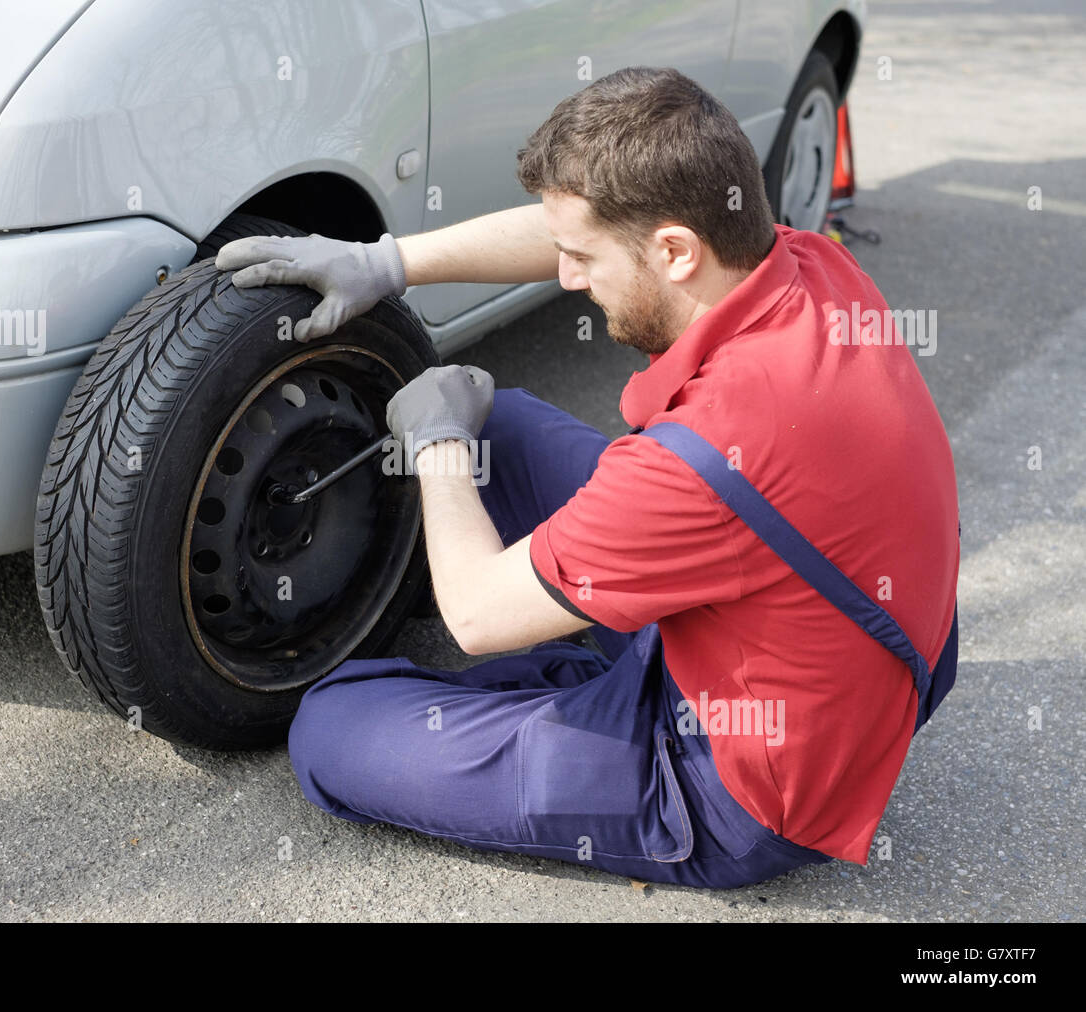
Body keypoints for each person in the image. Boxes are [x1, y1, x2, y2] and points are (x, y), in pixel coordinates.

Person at [214, 67, 960, 888]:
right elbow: (583, 230)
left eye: (582, 260)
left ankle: (585, 692)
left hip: (737, 781)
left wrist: (435, 447)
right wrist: (384, 261)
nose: (566, 277)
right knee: (502, 425)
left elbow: (473, 617)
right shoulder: (804, 264)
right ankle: (582, 656)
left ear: (676, 250)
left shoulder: (699, 462)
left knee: (331, 728)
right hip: (813, 643)